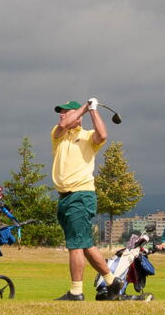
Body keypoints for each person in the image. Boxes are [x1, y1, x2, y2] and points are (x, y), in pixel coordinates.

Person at [50, 98, 121, 301]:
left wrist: (92, 110)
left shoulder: (88, 136)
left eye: (65, 111)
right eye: (60, 112)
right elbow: (63, 125)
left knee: (75, 244)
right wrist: (84, 107)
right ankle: (111, 280)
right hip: (64, 197)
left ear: (78, 117)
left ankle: (76, 292)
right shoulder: (58, 134)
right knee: (85, 243)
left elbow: (103, 134)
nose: (61, 115)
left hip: (81, 195)